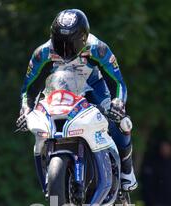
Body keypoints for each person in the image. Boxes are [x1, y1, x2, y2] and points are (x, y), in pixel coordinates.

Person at [16, 9, 137, 191]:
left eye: (71, 44)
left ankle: (127, 172)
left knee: (121, 121)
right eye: (59, 42)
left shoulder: (98, 48)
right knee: (39, 126)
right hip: (58, 92)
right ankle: (50, 169)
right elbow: (28, 89)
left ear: (84, 38)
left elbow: (118, 82)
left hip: (92, 89)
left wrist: (118, 103)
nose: (64, 50)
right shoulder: (42, 54)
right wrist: (25, 110)